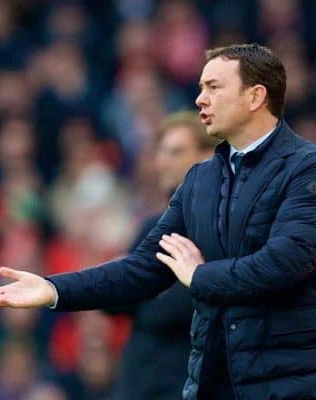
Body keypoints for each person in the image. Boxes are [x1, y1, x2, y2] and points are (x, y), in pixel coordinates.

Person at [0, 43, 316, 400]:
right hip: (220, 385)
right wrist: (54, 289)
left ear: (255, 97)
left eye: (214, 87)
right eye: (201, 87)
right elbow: (141, 268)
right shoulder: (200, 181)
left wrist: (199, 276)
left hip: (296, 386)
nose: (199, 99)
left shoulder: (310, 169)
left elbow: (283, 264)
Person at [111, 111, 218, 399]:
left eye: (176, 152)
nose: (162, 162)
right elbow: (115, 297)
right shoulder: (152, 226)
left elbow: (190, 302)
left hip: (187, 384)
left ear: (208, 156)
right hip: (137, 382)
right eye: (161, 151)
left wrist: (141, 295)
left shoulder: (221, 230)